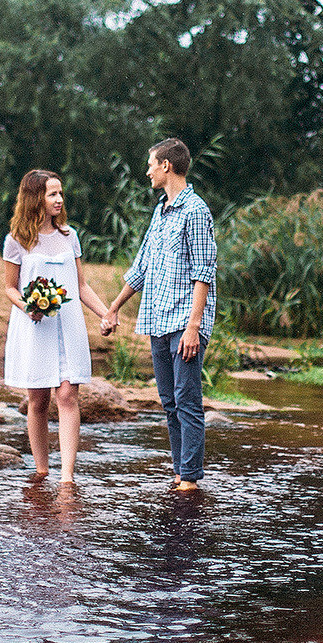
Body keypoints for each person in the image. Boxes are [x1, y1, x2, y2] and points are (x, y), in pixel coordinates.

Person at [102, 138, 216, 493]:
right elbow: (142, 266)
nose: (147, 170)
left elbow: (204, 272)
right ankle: (181, 473)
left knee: (186, 398)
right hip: (158, 319)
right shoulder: (160, 211)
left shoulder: (196, 211)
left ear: (167, 165)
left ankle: (191, 479)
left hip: (185, 323)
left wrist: (194, 327)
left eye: (151, 163)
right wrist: (114, 306)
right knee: (169, 402)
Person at [2, 169, 113, 483]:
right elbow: (10, 287)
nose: (59, 200)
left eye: (60, 193)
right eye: (52, 194)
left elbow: (80, 286)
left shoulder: (70, 236)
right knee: (38, 401)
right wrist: (29, 307)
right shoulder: (17, 240)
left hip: (68, 326)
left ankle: (67, 476)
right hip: (35, 328)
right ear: (35, 197)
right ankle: (41, 470)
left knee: (67, 396)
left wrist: (106, 313)